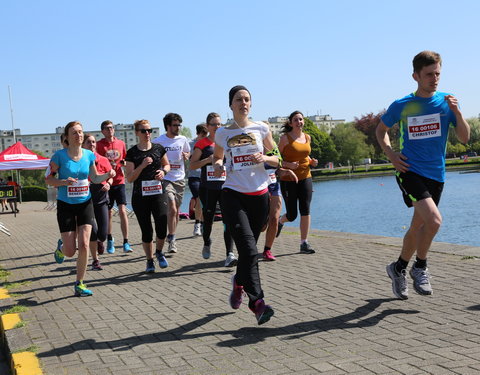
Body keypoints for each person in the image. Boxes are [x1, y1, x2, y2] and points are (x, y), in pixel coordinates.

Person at [376, 51, 470, 300]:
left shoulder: (446, 102)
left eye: (437, 73)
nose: (434, 78)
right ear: (416, 76)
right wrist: (391, 155)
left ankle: (398, 268)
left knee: (419, 225)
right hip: (410, 171)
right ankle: (420, 266)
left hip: (436, 174)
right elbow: (381, 130)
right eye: (429, 74)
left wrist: (457, 113)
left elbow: (464, 137)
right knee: (435, 221)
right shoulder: (403, 105)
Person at [213, 85, 281, 325]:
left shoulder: (261, 128)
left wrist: (265, 158)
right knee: (250, 251)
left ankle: (238, 282)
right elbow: (217, 156)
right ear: (230, 105)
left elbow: (278, 158)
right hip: (233, 194)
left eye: (247, 99)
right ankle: (258, 303)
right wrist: (219, 164)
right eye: (239, 99)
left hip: (260, 196)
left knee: (248, 253)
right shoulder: (221, 133)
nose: (243, 102)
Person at [46, 121, 115, 296]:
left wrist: (109, 175)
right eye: (74, 133)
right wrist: (63, 182)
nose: (79, 135)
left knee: (84, 244)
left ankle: (80, 283)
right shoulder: (59, 157)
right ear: (67, 137)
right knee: (70, 251)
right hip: (66, 205)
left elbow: (95, 178)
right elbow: (48, 179)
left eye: (81, 132)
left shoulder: (89, 155)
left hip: (85, 203)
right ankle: (61, 249)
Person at [189, 112, 237, 267]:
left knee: (228, 219)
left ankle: (229, 253)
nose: (217, 127)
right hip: (208, 188)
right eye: (214, 124)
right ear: (208, 127)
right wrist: (207, 160)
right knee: (208, 218)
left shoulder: (226, 141)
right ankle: (207, 241)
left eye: (219, 124)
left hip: (225, 187)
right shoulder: (202, 144)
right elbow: (193, 165)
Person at [125, 120, 170, 273]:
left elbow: (167, 165)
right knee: (147, 231)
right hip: (140, 196)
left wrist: (163, 172)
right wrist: (143, 165)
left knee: (162, 225)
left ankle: (159, 252)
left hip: (158, 192)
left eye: (149, 130)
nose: (147, 133)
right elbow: (129, 178)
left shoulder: (158, 148)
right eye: (143, 131)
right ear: (137, 133)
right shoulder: (132, 153)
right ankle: (149, 260)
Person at [276, 111, 318, 254]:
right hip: (288, 179)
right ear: (290, 123)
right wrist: (288, 164)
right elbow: (276, 158)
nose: (299, 122)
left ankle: (304, 243)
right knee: (292, 215)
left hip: (306, 176)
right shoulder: (285, 139)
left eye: (300, 119)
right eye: (296, 120)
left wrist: (312, 161)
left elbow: (305, 154)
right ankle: (280, 221)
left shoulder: (307, 137)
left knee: (305, 209)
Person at [152, 113, 190, 253]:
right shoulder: (159, 141)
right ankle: (172, 239)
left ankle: (171, 235)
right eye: (175, 125)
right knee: (172, 208)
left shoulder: (183, 139)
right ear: (168, 126)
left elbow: (187, 152)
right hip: (166, 178)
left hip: (179, 178)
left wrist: (187, 156)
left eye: (179, 125)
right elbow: (154, 156)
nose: (178, 127)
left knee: (176, 211)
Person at [96, 120, 133, 254]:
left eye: (111, 128)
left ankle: (126, 241)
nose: (110, 130)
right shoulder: (99, 145)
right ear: (102, 131)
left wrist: (123, 163)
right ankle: (110, 240)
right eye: (107, 128)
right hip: (106, 183)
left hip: (119, 181)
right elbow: (97, 162)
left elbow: (125, 159)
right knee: (109, 213)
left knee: (123, 210)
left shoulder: (121, 143)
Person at [82, 134, 113, 270]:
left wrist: (109, 184)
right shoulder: (81, 160)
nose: (92, 144)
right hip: (86, 198)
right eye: (88, 142)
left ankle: (101, 242)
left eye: (94, 142)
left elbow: (112, 175)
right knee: (93, 231)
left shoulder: (103, 159)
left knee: (102, 233)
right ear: (83, 145)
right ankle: (95, 260)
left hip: (101, 197)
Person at [188, 124, 207, 236]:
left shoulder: (207, 144)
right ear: (197, 134)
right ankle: (197, 224)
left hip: (205, 176)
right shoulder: (190, 144)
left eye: (206, 135)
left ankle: (202, 223)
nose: (204, 137)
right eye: (202, 135)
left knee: (204, 201)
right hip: (193, 176)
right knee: (198, 198)